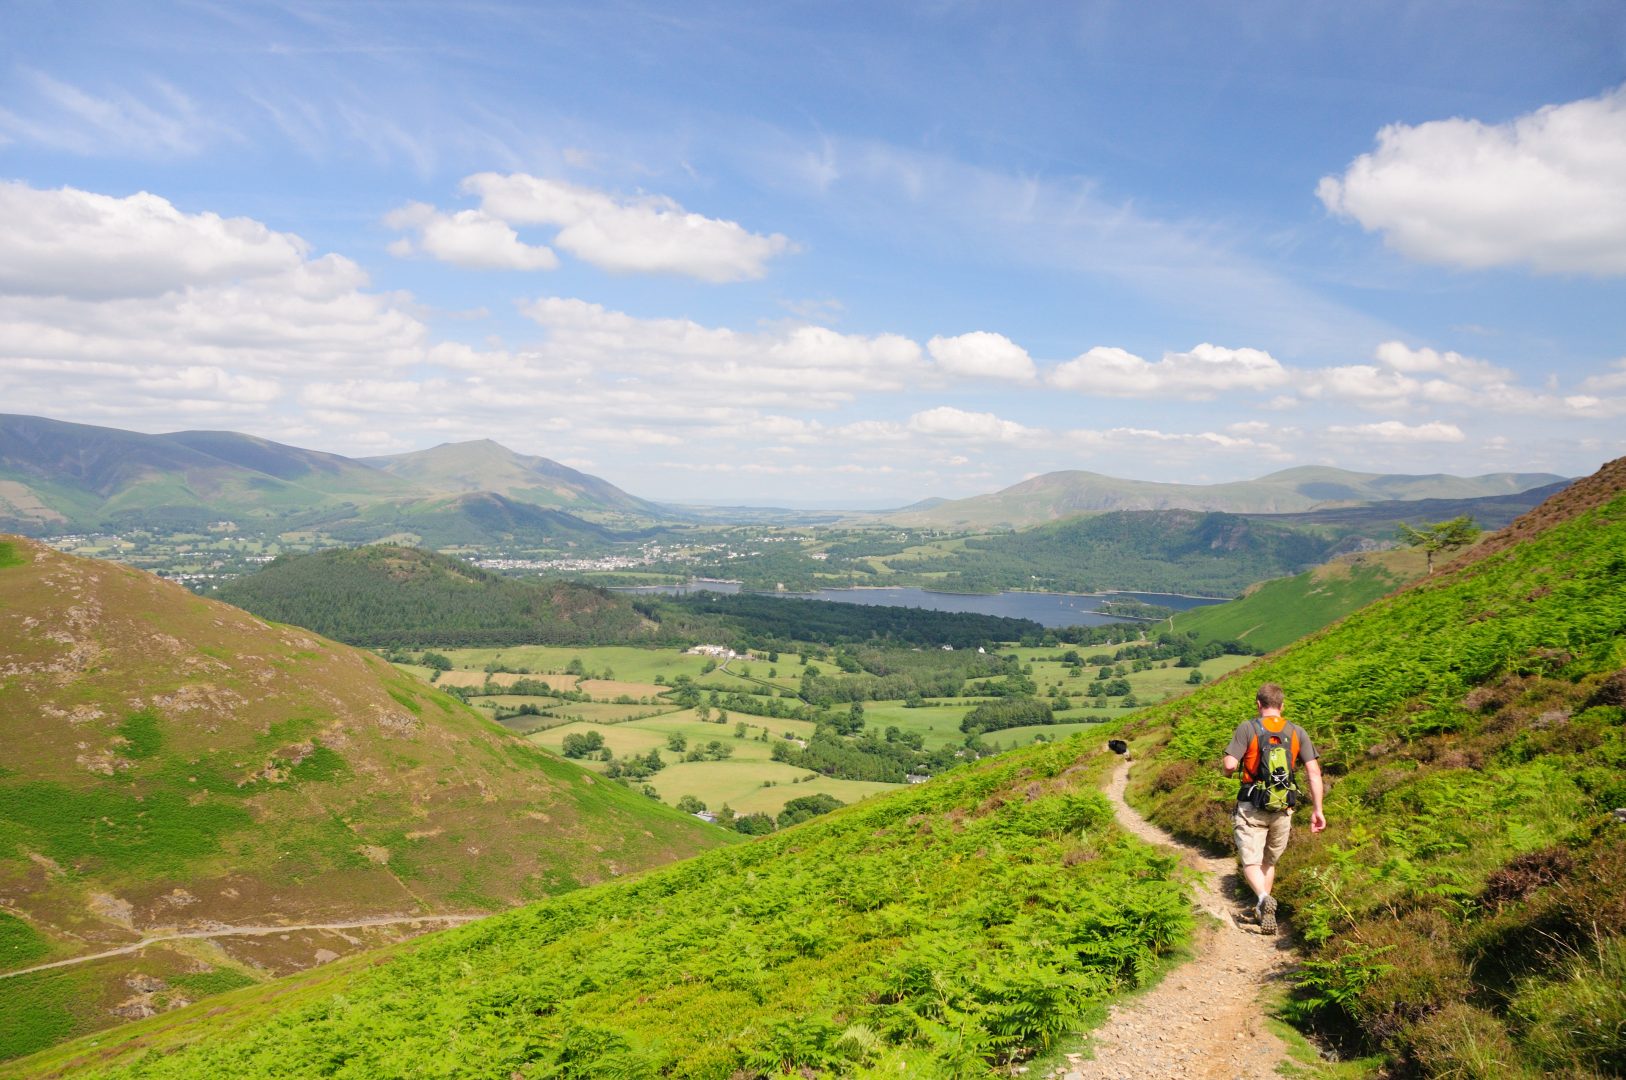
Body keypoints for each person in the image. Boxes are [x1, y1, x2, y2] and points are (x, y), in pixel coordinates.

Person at [1221, 682, 1325, 933]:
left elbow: (1230, 765)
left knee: (1251, 862)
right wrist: (1317, 809)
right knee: (1269, 861)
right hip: (1283, 807)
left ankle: (1262, 899)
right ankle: (1263, 909)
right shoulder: (1296, 731)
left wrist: (1227, 770)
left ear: (1258, 704)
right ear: (1282, 705)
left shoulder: (1248, 728)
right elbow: (1313, 772)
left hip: (1252, 804)